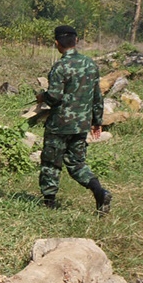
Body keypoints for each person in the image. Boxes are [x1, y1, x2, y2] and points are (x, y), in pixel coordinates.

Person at [37, 24, 111, 213]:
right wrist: (97, 121)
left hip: (59, 125)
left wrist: (42, 97)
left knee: (51, 162)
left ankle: (49, 202)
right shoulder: (90, 64)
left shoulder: (60, 67)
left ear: (56, 43)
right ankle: (99, 191)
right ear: (76, 41)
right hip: (81, 125)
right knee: (77, 164)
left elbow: (54, 97)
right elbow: (97, 96)